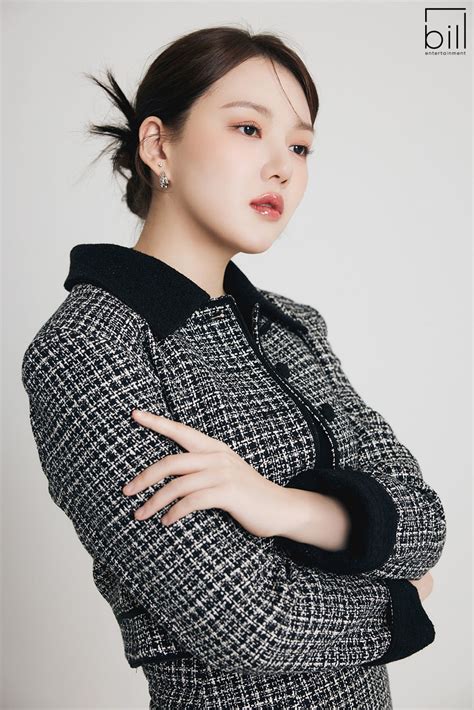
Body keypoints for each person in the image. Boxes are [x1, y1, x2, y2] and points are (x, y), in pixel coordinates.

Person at [21, 25, 446, 709]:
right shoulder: (88, 346)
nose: (282, 167)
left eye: (300, 146)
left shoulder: (293, 327)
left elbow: (424, 523)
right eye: (249, 129)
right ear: (158, 145)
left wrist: (277, 505)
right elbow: (247, 623)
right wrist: (400, 605)